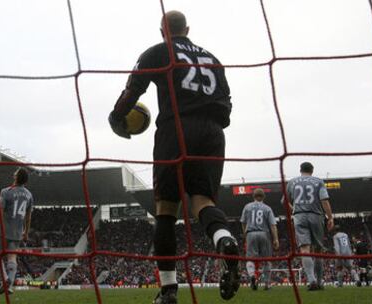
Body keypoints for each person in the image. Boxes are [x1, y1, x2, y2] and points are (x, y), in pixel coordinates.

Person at [108, 10, 238, 304]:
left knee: (166, 209)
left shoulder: (158, 51)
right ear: (187, 29)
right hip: (213, 133)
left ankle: (168, 291)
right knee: (203, 201)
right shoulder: (213, 59)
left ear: (162, 30)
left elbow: (132, 90)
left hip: (175, 129)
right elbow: (227, 104)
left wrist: (116, 118)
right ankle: (225, 240)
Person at [284, 162, 334, 291]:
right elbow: (324, 200)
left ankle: (311, 280)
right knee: (318, 250)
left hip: (299, 216)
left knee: (304, 249)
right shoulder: (318, 181)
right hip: (316, 215)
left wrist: (294, 208)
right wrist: (330, 217)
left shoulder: (292, 182)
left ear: (300, 170)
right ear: (312, 170)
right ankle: (319, 281)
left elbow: (284, 201)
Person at [0, 168, 33, 295]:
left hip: (2, 231)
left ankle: (5, 279)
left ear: (16, 176)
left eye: (15, 172)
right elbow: (28, 217)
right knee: (12, 257)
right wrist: (26, 233)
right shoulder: (29, 195)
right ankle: (10, 285)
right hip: (17, 233)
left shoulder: (6, 191)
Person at [241, 188, 279, 291]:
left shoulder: (247, 207)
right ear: (263, 197)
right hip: (264, 234)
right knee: (267, 260)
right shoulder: (267, 208)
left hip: (250, 234)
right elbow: (272, 225)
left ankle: (252, 275)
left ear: (253, 196)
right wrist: (275, 239)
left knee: (250, 259)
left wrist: (245, 234)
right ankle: (267, 284)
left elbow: (243, 222)